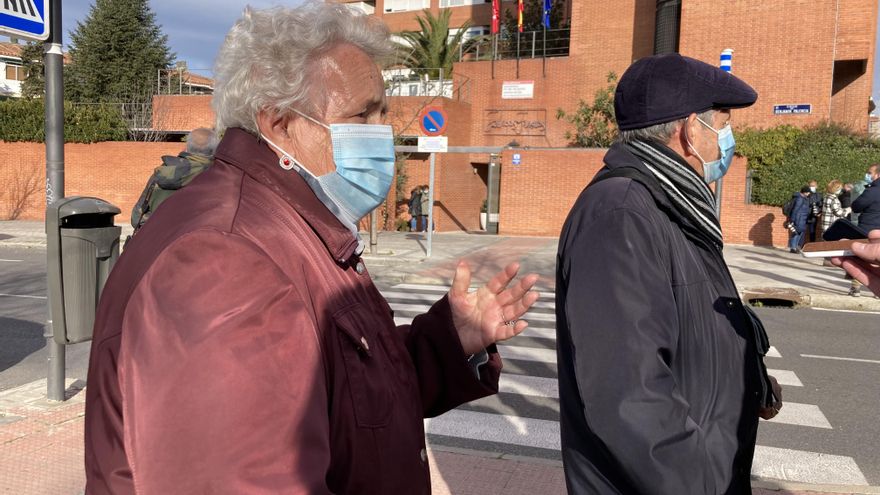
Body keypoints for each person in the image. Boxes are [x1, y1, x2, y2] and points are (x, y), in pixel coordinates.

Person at [84, 4, 540, 494]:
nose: (383, 130)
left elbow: (347, 392)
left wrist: (448, 340)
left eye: (382, 112)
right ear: (279, 122)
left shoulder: (294, 226)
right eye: (362, 112)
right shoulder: (226, 258)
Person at [556, 53, 781, 495]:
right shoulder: (620, 212)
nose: (727, 138)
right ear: (689, 130)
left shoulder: (675, 204)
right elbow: (628, 394)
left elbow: (688, 331)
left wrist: (747, 382)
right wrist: (700, 484)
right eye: (723, 121)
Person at [130, 127, 218, 231]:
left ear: (187, 148)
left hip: (158, 241)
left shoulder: (164, 172)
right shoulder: (216, 176)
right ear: (214, 150)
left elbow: (136, 218)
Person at [832, 229, 880, 297]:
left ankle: (855, 289)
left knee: (858, 265)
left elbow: (853, 220)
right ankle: (875, 293)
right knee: (870, 265)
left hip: (861, 236)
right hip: (873, 239)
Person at [852, 164, 880, 233]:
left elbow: (856, 206)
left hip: (869, 229)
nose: (867, 175)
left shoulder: (872, 191)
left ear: (878, 175)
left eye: (870, 173)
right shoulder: (872, 189)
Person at [787, 186, 812, 253]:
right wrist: (792, 219)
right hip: (799, 218)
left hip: (802, 218)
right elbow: (795, 210)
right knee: (796, 233)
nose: (809, 193)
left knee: (799, 233)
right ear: (805, 192)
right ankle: (793, 248)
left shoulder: (803, 198)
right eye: (808, 192)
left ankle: (795, 247)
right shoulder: (800, 199)